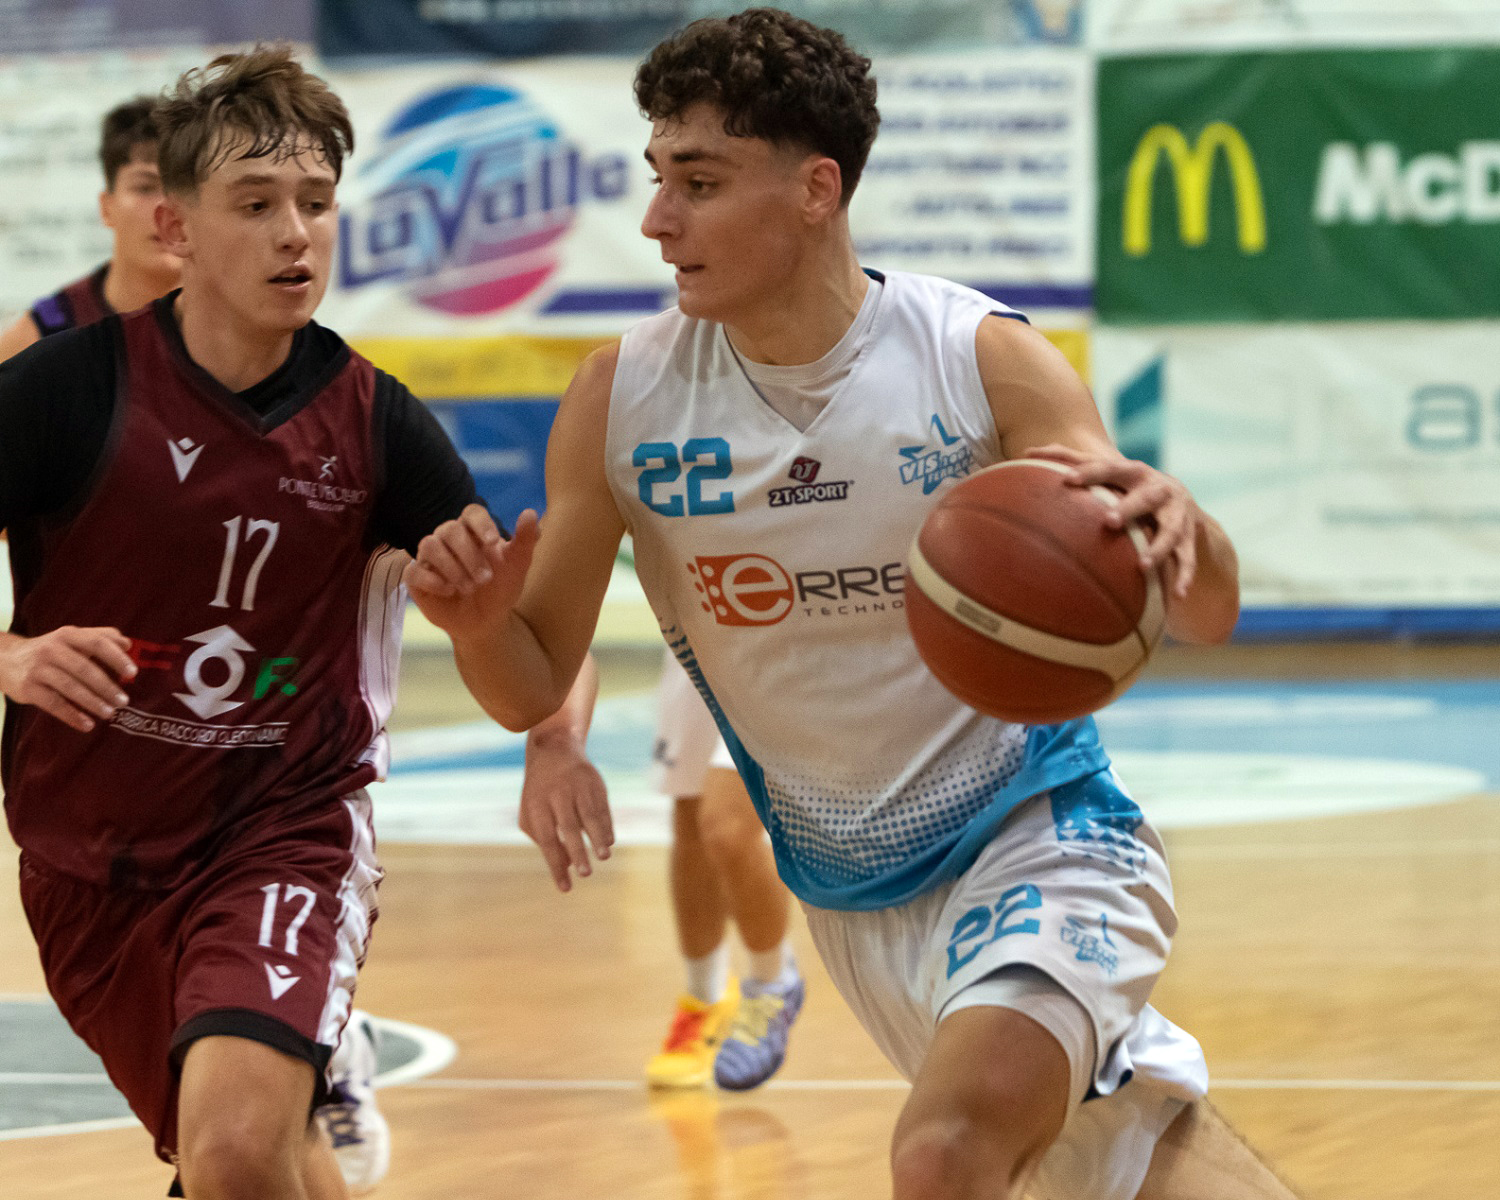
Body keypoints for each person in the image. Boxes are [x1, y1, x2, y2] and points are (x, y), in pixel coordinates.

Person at [407, 9, 1300, 1200]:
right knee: (1107, 1168)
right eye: (658, 178)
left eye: (699, 182)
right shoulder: (623, 401)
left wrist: (1191, 529)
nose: (658, 219)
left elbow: (1203, 610)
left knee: (943, 1157)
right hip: (853, 901)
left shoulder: (977, 358)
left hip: (1045, 837)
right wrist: (478, 626)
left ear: (816, 189)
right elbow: (529, 682)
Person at [0, 47, 495, 1200]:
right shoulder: (62, 384)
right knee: (255, 1161)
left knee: (231, 1146)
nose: (295, 234)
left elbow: (519, 667)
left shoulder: (377, 426)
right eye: (258, 203)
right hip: (87, 854)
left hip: (283, 828)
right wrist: (12, 657)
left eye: (316, 204)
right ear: (172, 226)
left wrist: (517, 677)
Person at [525, 647, 804, 1090]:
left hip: (780, 642)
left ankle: (773, 982)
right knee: (690, 824)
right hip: (696, 638)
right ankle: (704, 998)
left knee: (726, 827)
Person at [0, 96, 182, 361]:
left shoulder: (234, 316)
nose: (165, 209)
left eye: (180, 187)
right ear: (106, 208)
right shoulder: (47, 331)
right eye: (145, 188)